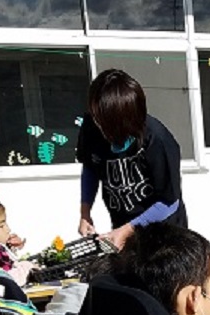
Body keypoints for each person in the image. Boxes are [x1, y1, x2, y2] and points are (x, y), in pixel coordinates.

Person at [76, 69, 187, 250]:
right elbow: (90, 167)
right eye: (97, 119)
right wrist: (85, 213)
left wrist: (127, 230)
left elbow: (169, 202)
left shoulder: (157, 139)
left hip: (165, 235)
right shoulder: (91, 126)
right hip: (123, 228)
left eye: (106, 123)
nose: (100, 127)